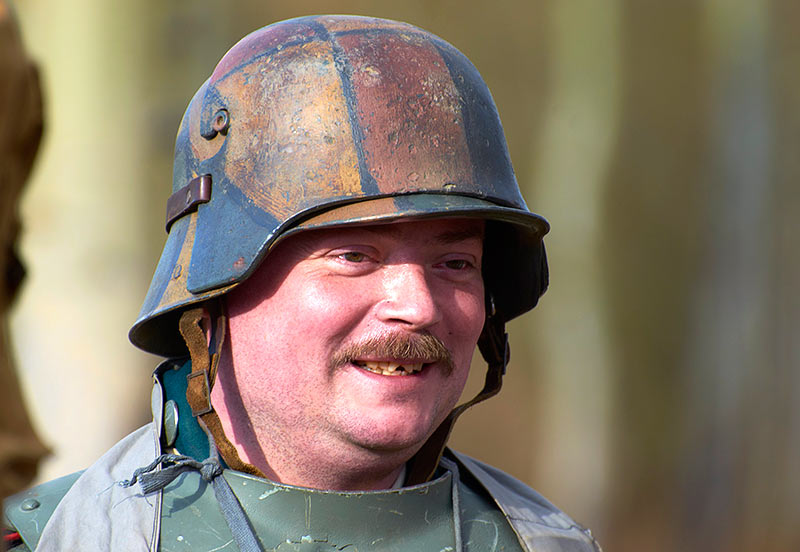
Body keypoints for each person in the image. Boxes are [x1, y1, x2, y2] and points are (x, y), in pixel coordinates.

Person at [3, 15, 601, 552]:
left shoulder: (548, 544)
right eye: (354, 256)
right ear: (215, 295)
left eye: (455, 264)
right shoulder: (63, 539)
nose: (418, 306)